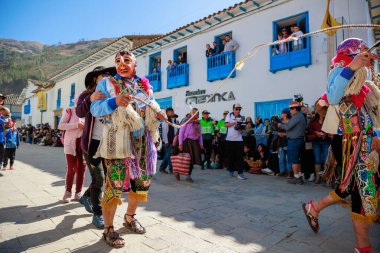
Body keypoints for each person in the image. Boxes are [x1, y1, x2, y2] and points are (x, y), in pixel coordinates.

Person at [302, 38, 380, 253]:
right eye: (362, 51)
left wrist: (376, 136)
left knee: (353, 187)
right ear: (352, 53)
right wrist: (353, 66)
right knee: (360, 190)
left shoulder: (364, 80)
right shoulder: (339, 71)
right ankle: (363, 247)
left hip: (366, 140)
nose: (366, 54)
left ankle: (314, 207)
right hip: (348, 142)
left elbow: (371, 114)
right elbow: (334, 95)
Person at [91, 50, 165, 248]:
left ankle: (130, 217)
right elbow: (95, 109)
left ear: (135, 64)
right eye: (117, 61)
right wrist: (113, 101)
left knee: (141, 183)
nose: (121, 64)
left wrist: (157, 113)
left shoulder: (144, 84)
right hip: (117, 141)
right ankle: (108, 229)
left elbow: (150, 104)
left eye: (126, 60)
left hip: (143, 143)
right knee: (114, 183)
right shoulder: (106, 83)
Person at [76, 66, 116, 228]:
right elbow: (79, 112)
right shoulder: (86, 95)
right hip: (92, 144)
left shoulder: (114, 95)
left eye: (109, 75)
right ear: (95, 79)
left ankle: (87, 196)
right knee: (98, 178)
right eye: (103, 75)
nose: (107, 77)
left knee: (106, 179)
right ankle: (98, 213)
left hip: (110, 144)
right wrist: (90, 99)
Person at [58, 99, 86, 203]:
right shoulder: (70, 111)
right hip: (70, 144)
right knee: (72, 168)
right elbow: (60, 125)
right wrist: (76, 125)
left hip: (84, 145)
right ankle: (68, 192)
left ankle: (78, 192)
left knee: (82, 169)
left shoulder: (90, 112)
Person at [281, 101, 307, 184]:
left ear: (295, 109)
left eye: (291, 109)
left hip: (294, 141)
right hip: (298, 140)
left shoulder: (296, 116)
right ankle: (299, 176)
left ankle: (296, 178)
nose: (290, 111)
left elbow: (288, 127)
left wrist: (279, 125)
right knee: (297, 160)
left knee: (294, 160)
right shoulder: (301, 116)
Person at [306, 98, 331, 184]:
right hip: (316, 141)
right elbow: (309, 129)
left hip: (326, 141)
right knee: (317, 159)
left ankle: (325, 177)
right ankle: (318, 177)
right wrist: (316, 133)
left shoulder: (328, 119)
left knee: (325, 159)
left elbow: (331, 129)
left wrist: (325, 134)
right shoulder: (313, 119)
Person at [178, 108, 203, 182]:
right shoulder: (186, 121)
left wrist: (201, 143)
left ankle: (188, 176)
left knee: (192, 161)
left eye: (196, 113)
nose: (195, 114)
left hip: (195, 143)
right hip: (187, 142)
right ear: (190, 113)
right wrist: (180, 144)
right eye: (193, 112)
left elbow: (200, 135)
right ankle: (178, 172)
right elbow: (181, 133)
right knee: (186, 160)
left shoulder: (198, 123)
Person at [225, 103, 247, 180]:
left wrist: (240, 128)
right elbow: (226, 125)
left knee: (240, 157)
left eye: (239, 109)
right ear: (233, 109)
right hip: (229, 139)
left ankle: (240, 173)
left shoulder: (242, 117)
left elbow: (243, 130)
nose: (238, 111)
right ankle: (231, 171)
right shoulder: (229, 115)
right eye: (236, 109)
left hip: (239, 140)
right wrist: (235, 123)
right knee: (231, 156)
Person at [160, 107, 177, 174]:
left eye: (172, 111)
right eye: (170, 112)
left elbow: (175, 130)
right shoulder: (165, 121)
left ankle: (162, 168)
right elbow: (164, 132)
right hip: (168, 141)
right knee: (170, 156)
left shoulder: (173, 120)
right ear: (167, 113)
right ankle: (171, 169)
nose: (172, 113)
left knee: (168, 156)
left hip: (173, 141)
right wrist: (166, 141)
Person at [277, 108, 291, 177]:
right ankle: (282, 171)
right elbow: (276, 130)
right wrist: (278, 133)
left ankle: (289, 172)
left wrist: (285, 134)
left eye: (282, 113)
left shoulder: (291, 121)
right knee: (281, 158)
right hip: (281, 142)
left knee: (288, 158)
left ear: (285, 114)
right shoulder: (280, 121)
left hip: (288, 142)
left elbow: (292, 131)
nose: (281, 114)